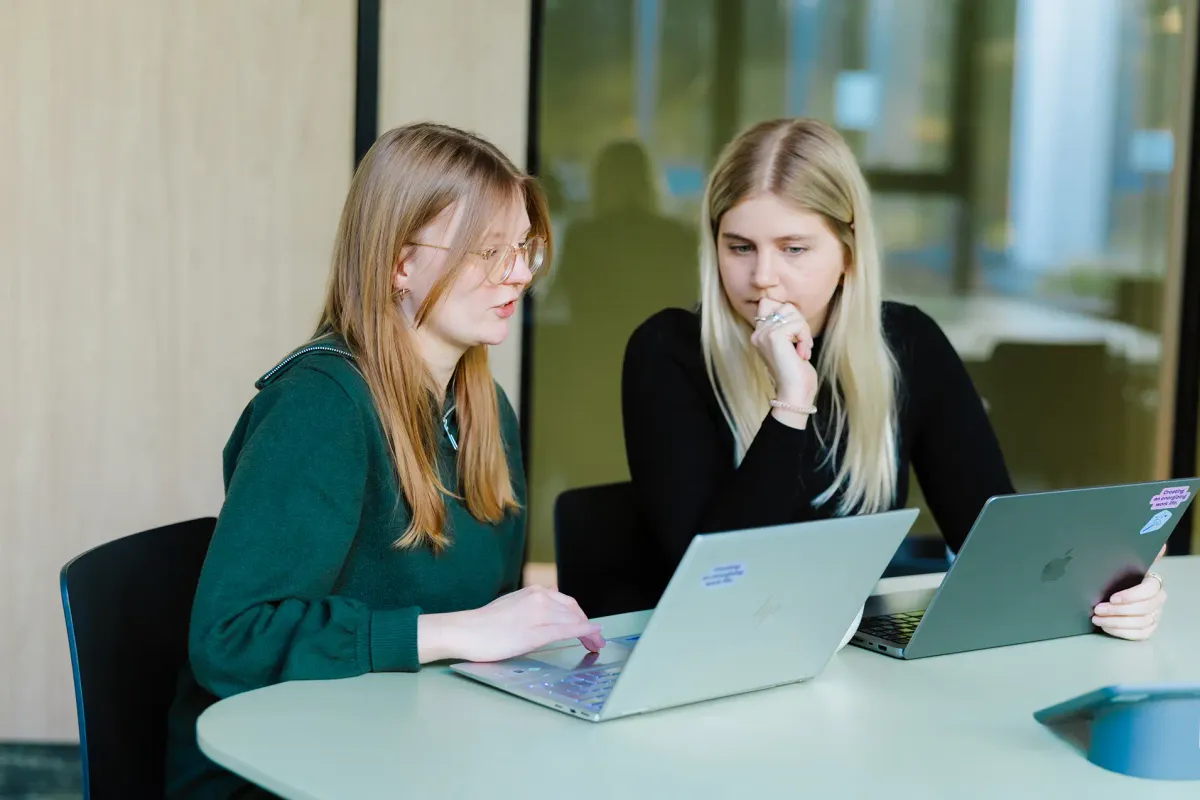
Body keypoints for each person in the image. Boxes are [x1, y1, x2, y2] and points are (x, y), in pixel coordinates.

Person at [165, 122, 604, 799]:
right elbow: (231, 639)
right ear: (401, 264)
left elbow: (481, 622)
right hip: (285, 768)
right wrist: (457, 632)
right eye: (489, 250)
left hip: (410, 748)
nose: (518, 273)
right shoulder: (321, 407)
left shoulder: (485, 410)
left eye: (523, 248)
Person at [621, 117, 1167, 648]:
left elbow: (992, 543)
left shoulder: (907, 344)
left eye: (793, 248)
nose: (763, 276)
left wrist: (1116, 590)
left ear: (848, 252)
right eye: (740, 247)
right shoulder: (667, 352)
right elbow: (720, 590)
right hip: (708, 665)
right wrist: (789, 405)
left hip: (854, 674)